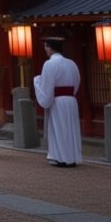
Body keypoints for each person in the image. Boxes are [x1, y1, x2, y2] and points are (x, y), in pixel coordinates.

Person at [33, 37, 83, 167]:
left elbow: (47, 86)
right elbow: (77, 82)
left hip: (58, 101)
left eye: (46, 46)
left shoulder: (49, 64)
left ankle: (60, 157)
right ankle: (71, 157)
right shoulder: (71, 63)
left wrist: (37, 81)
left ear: (50, 48)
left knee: (59, 129)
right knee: (70, 128)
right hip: (71, 100)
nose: (45, 49)